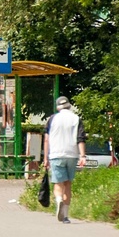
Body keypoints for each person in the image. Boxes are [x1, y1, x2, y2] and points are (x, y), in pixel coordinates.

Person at [43, 96, 86, 224]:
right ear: (69, 106)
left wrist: (45, 158)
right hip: (72, 155)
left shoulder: (52, 119)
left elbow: (46, 139)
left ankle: (58, 200)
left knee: (58, 183)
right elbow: (81, 138)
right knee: (68, 184)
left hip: (56, 155)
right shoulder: (76, 119)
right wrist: (83, 156)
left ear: (58, 107)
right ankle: (66, 216)